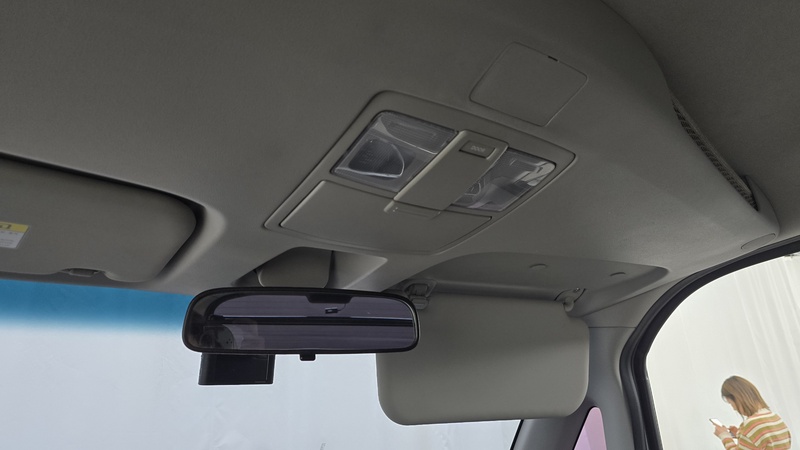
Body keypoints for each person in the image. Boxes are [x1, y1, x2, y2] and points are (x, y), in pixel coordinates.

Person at [712, 376, 791, 449]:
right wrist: (741, 435)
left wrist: (725, 436)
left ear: (738, 399)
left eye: (731, 403)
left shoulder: (750, 425)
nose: (734, 409)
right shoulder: (775, 417)